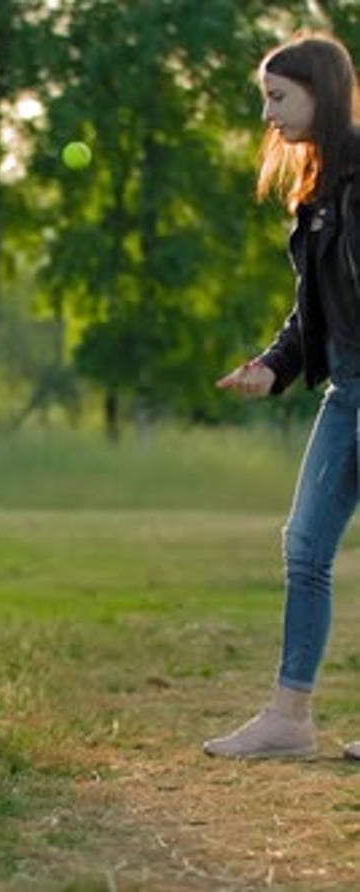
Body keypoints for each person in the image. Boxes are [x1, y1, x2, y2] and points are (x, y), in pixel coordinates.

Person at [203, 31, 360, 760]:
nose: (268, 115)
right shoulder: (320, 191)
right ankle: (289, 720)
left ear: (319, 93)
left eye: (277, 98)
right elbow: (313, 310)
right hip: (347, 390)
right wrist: (271, 366)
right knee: (303, 547)